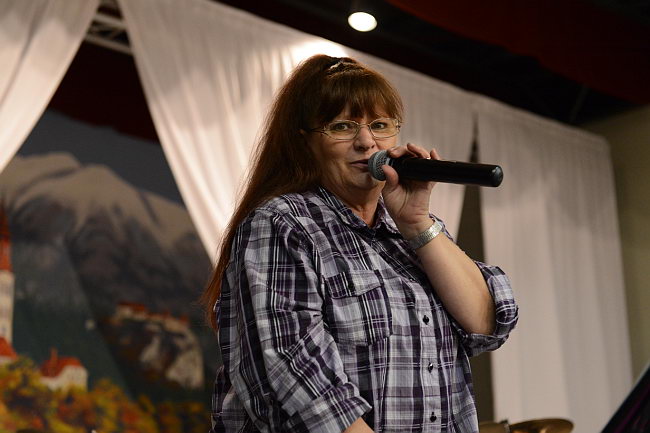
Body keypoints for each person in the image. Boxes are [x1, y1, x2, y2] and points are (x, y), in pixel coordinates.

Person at [203, 54, 518, 433]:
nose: (366, 142)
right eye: (342, 127)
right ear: (305, 143)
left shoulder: (412, 231)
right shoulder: (284, 222)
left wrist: (417, 222)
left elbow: (489, 323)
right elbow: (294, 366)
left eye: (380, 125)